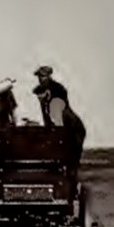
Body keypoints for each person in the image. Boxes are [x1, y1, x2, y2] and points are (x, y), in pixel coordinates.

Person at [32, 65, 87, 194]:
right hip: (65, 127)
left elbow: (58, 125)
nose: (39, 99)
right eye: (39, 76)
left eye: (43, 76)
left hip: (73, 131)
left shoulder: (56, 99)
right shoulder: (45, 99)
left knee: (69, 161)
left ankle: (70, 192)